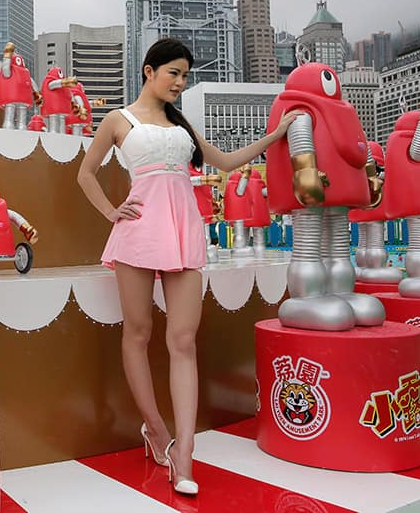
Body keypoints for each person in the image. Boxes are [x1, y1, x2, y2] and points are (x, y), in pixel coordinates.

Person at [76, 38, 299, 496]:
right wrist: (110, 212)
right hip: (138, 233)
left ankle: (185, 454)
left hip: (184, 233)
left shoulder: (182, 125)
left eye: (184, 75)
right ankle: (156, 429)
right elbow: (86, 173)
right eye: (173, 73)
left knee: (183, 341)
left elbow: (226, 160)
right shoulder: (119, 119)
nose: (179, 82)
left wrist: (275, 136)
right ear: (148, 71)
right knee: (137, 334)